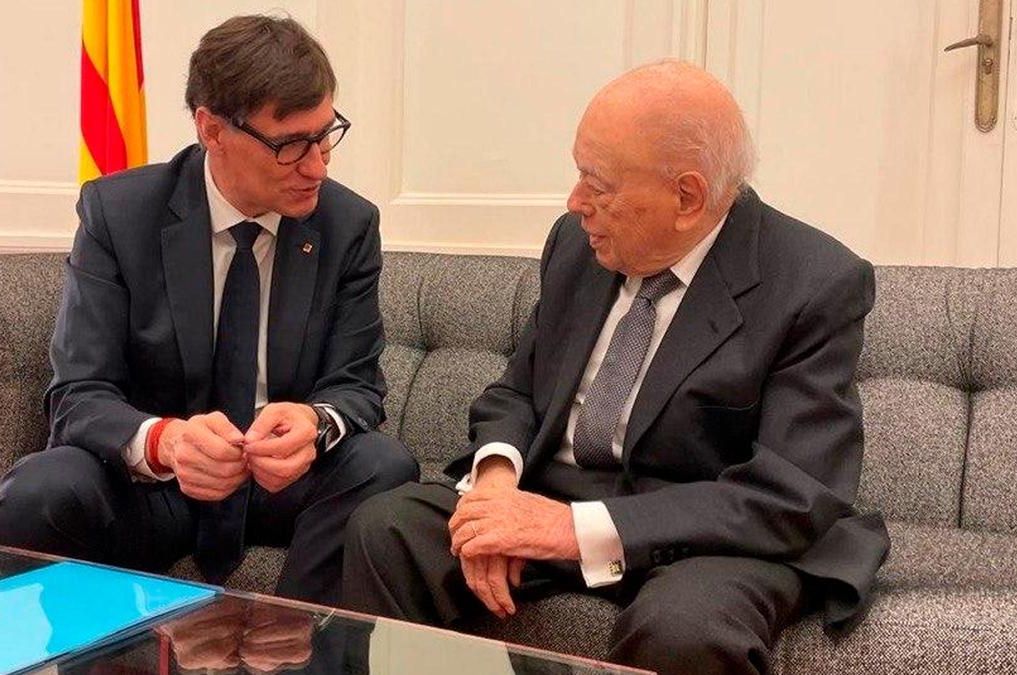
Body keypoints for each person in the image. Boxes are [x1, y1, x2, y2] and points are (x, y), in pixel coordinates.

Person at [341, 60, 890, 673]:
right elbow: (518, 393)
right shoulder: (578, 244)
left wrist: (570, 530)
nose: (576, 203)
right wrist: (495, 490)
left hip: (706, 534)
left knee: (684, 629)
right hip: (554, 490)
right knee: (388, 529)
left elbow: (791, 496)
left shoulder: (813, 282)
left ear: (687, 197)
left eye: (597, 184)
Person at [0, 15, 417, 607]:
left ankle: (296, 653)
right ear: (212, 129)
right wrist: (165, 441)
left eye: (325, 136)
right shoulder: (120, 213)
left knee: (382, 464)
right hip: (158, 485)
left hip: (282, 485)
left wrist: (315, 424)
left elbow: (357, 387)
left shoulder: (347, 225)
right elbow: (80, 394)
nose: (317, 165)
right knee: (41, 489)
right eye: (291, 145)